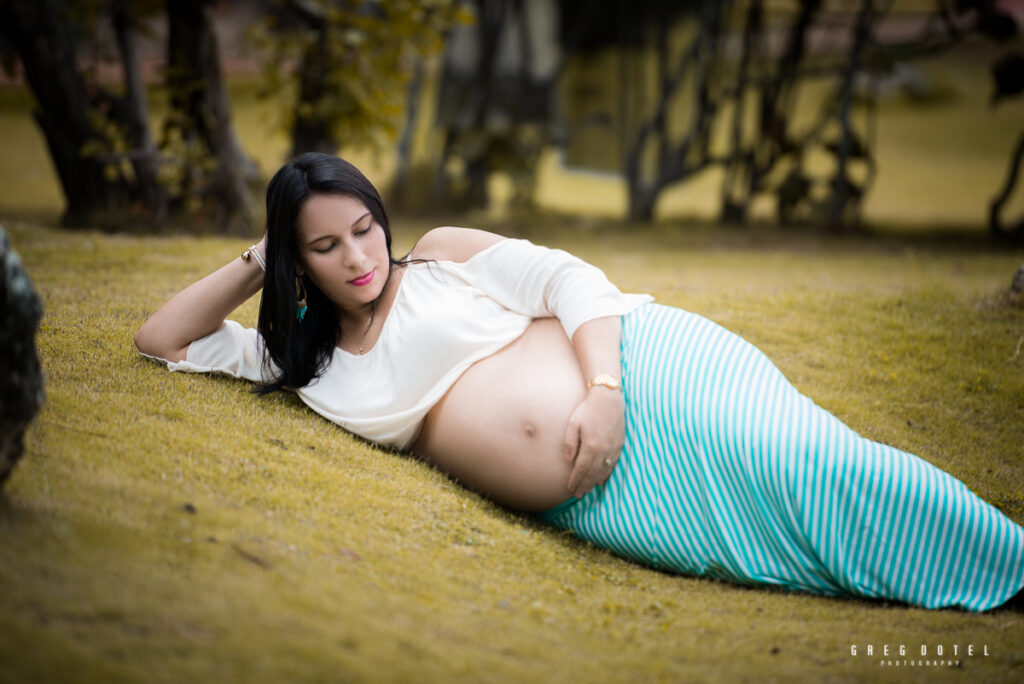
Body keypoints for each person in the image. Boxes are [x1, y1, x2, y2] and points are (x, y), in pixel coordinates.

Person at [135, 152, 1024, 613]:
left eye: (364, 229)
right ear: (298, 260)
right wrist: (264, 251)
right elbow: (162, 340)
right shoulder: (304, 362)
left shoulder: (439, 258)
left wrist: (603, 395)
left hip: (640, 371)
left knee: (798, 456)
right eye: (325, 247)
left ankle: (1010, 566)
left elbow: (570, 281)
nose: (359, 257)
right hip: (600, 496)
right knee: (775, 555)